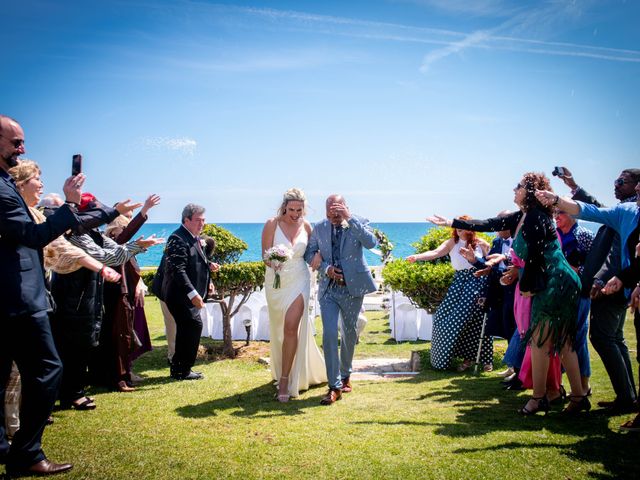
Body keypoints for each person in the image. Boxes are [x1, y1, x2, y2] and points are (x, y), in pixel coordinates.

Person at [431, 172, 587, 415]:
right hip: (550, 280)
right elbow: (487, 223)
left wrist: (526, 287)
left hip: (555, 281)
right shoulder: (522, 216)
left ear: (531, 191)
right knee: (558, 342)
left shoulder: (537, 217)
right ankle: (575, 397)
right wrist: (451, 222)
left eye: (519, 187)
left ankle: (542, 397)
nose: (514, 190)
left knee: (543, 341)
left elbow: (536, 257)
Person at [0, 114, 98, 476]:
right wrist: (70, 204)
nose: (21, 149)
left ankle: (2, 446)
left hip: (13, 297)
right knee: (47, 369)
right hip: (18, 299)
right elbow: (32, 235)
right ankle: (25, 452)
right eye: (15, 142)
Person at [536, 176, 640, 422]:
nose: (631, 187)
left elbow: (614, 253)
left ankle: (626, 398)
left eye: (624, 181)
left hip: (613, 285)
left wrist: (605, 279)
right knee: (612, 338)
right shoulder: (627, 212)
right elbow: (592, 210)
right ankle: (627, 397)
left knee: (604, 337)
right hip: (622, 284)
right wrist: (559, 198)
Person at [304, 194, 377, 405]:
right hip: (329, 289)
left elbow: (371, 243)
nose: (334, 217)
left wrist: (349, 218)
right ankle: (334, 386)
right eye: (330, 214)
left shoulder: (359, 221)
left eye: (338, 213)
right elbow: (309, 254)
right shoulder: (319, 228)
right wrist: (326, 268)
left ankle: (346, 374)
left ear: (345, 208)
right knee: (328, 333)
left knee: (350, 331)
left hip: (354, 288)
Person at [261, 188, 327, 402]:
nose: (296, 214)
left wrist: (318, 254)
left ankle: (285, 379)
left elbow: (316, 249)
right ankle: (283, 368)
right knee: (280, 330)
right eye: (292, 209)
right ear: (284, 207)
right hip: (276, 282)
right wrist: (274, 261)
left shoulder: (307, 226)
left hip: (299, 280)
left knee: (291, 327)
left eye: (299, 210)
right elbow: (265, 256)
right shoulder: (272, 224)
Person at [407, 218, 492, 371]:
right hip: (459, 283)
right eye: (457, 228)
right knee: (444, 317)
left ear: (470, 228)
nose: (459, 231)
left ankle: (483, 360)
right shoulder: (453, 242)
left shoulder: (481, 243)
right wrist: (417, 257)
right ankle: (447, 359)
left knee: (477, 320)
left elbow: (491, 263)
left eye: (463, 228)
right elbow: (436, 252)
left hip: (477, 281)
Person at [162, 204, 219, 380]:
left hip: (187, 295)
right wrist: (193, 294)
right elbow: (177, 269)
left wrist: (209, 268)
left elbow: (194, 261)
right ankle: (182, 369)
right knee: (192, 326)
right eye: (198, 220)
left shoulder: (194, 237)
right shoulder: (177, 238)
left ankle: (181, 369)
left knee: (189, 328)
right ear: (186, 220)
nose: (202, 223)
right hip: (179, 295)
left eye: (203, 220)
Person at [554, 209, 594, 395]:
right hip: (557, 292)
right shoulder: (553, 235)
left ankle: (583, 386)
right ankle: (558, 384)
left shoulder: (584, 234)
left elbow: (596, 263)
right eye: (555, 212)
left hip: (578, 293)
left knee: (577, 339)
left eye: (560, 212)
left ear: (572, 214)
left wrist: (577, 270)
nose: (556, 216)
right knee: (557, 341)